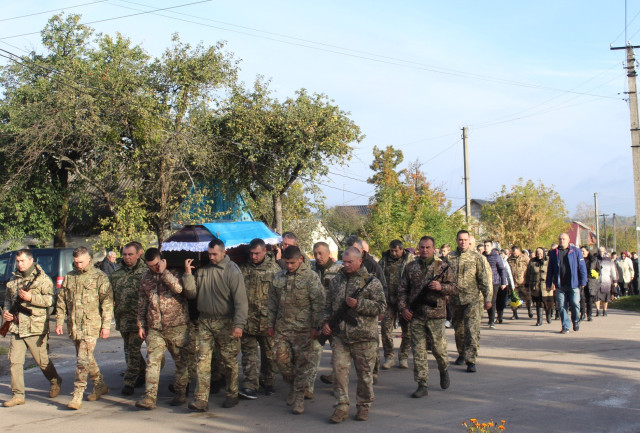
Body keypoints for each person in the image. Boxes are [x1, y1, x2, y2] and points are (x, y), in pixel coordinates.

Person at [321, 247, 386, 423]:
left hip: (364, 337)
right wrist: (325, 323)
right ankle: (341, 406)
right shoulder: (336, 281)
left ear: (360, 261)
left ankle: (363, 405)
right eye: (344, 262)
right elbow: (327, 306)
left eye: (350, 262)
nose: (347, 265)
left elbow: (381, 307)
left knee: (364, 376)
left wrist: (359, 304)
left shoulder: (371, 282)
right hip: (340, 336)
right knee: (339, 372)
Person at [184, 238, 248, 411]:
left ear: (223, 252)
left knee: (229, 361)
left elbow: (241, 301)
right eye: (209, 254)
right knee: (203, 360)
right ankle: (201, 399)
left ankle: (232, 394)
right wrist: (188, 275)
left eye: (214, 254)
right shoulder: (203, 271)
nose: (211, 257)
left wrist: (239, 325)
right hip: (205, 320)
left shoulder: (232, 271)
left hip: (226, 321)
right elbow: (191, 294)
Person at [267, 246, 325, 415]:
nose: (289, 266)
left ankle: (299, 397)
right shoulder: (278, 276)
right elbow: (272, 303)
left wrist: (317, 327)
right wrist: (270, 324)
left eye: (292, 263)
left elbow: (318, 304)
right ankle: (294, 386)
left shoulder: (310, 277)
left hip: (303, 330)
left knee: (302, 365)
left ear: (300, 260)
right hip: (283, 328)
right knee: (280, 360)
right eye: (286, 263)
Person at [398, 236, 457, 398]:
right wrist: (403, 308)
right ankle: (422, 383)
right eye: (422, 247)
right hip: (416, 315)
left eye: (428, 247)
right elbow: (402, 290)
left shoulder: (442, 266)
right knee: (418, 351)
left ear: (433, 249)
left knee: (438, 349)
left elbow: (454, 288)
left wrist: (441, 287)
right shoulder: (410, 267)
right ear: (418, 248)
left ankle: (443, 368)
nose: (424, 250)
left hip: (435, 315)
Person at [56, 246, 113, 410]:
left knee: (82, 361)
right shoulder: (69, 277)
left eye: (81, 262)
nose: (78, 265)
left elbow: (107, 303)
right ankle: (100, 385)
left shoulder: (99, 277)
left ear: (89, 259)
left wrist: (106, 326)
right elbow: (61, 301)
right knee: (87, 358)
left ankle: (78, 394)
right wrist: (59, 322)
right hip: (74, 326)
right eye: (75, 262)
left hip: (91, 325)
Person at [3, 249, 61, 407]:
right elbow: (8, 299)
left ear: (30, 260)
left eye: (22, 261)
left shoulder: (42, 279)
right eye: (18, 261)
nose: (19, 264)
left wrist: (31, 298)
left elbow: (51, 300)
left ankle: (55, 381)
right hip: (17, 327)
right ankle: (18, 395)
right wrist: (7, 313)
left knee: (42, 361)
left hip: (35, 326)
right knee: (14, 361)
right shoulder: (14, 279)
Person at [135, 248, 192, 410]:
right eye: (150, 266)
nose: (154, 268)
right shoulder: (146, 278)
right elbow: (142, 302)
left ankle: (180, 392)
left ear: (162, 260)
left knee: (181, 362)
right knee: (152, 362)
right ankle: (149, 397)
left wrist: (164, 272)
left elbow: (179, 289)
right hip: (155, 327)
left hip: (177, 326)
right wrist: (141, 324)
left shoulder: (175, 272)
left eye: (156, 264)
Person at [238, 238, 280, 400]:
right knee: (249, 355)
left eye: (257, 253)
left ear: (264, 251)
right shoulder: (243, 269)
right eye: (251, 253)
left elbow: (280, 297)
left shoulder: (274, 270)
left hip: (267, 321)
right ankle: (250, 385)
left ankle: (268, 381)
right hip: (248, 320)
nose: (253, 257)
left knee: (269, 355)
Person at [444, 230, 492, 373]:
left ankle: (471, 360)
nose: (463, 242)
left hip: (473, 300)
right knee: (459, 330)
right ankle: (461, 353)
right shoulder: (449, 257)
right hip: (455, 300)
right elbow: (442, 276)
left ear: (469, 241)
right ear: (456, 240)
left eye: (465, 240)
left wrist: (488, 298)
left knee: (472, 330)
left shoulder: (477, 257)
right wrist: (444, 293)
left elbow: (484, 279)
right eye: (460, 240)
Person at [109, 242, 147, 396]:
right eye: (124, 254)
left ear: (139, 254)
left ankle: (129, 382)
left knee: (132, 350)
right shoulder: (116, 274)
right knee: (130, 349)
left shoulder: (146, 273)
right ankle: (143, 373)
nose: (127, 257)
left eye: (130, 254)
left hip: (139, 320)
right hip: (123, 319)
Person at [311, 242, 343, 386]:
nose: (318, 257)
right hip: (317, 318)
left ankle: (337, 381)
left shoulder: (339, 270)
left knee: (338, 354)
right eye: (315, 254)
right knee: (313, 352)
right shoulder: (311, 271)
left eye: (321, 253)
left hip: (335, 319)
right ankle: (308, 386)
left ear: (328, 253)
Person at [379, 239, 414, 369]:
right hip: (388, 300)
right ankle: (389, 356)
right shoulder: (384, 260)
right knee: (385, 329)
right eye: (391, 250)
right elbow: (378, 276)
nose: (393, 253)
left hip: (405, 301)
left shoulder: (410, 260)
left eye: (396, 251)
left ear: (402, 249)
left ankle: (403, 356)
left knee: (407, 331)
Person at [546, 233, 587, 334]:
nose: (562, 241)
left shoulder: (576, 251)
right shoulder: (554, 253)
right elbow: (550, 269)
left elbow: (582, 267)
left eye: (564, 239)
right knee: (561, 306)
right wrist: (548, 283)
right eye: (560, 239)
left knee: (575, 303)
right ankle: (565, 326)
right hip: (560, 285)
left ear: (568, 240)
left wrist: (583, 281)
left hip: (574, 284)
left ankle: (575, 320)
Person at [525, 247, 554, 325]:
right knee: (538, 303)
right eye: (537, 253)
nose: (539, 255)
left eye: (540, 253)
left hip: (547, 286)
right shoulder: (532, 261)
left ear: (544, 253)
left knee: (548, 303)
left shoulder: (549, 260)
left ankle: (548, 315)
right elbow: (528, 274)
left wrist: (554, 283)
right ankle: (539, 320)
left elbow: (553, 272)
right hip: (536, 286)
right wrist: (527, 285)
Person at [482, 240, 507, 328]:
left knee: (492, 300)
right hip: (484, 282)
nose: (486, 247)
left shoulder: (496, 256)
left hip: (494, 282)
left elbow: (502, 269)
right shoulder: (482, 256)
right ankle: (490, 318)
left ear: (491, 246)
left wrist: (503, 282)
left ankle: (491, 320)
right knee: (486, 300)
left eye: (488, 245)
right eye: (485, 245)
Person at [507, 246, 531, 319]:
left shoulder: (525, 258)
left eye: (516, 252)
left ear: (519, 251)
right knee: (514, 298)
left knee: (528, 297)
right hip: (514, 283)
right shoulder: (509, 259)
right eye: (513, 253)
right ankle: (515, 314)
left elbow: (530, 268)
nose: (515, 254)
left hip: (523, 282)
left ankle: (529, 309)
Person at [594, 247, 617, 317]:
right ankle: (598, 310)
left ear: (605, 252)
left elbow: (613, 271)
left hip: (606, 280)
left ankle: (605, 310)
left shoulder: (609, 260)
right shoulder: (595, 259)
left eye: (603, 251)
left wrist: (615, 280)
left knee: (605, 297)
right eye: (600, 251)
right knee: (596, 296)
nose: (601, 252)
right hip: (597, 280)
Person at [580, 246, 600, 322]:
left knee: (589, 299)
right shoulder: (579, 260)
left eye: (583, 251)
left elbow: (599, 270)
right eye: (581, 251)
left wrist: (595, 273)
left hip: (590, 281)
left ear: (588, 251)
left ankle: (589, 315)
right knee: (581, 298)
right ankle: (582, 314)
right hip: (581, 281)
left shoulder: (594, 260)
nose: (582, 253)